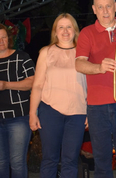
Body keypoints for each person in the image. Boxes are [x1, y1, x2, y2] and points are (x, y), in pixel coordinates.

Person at [75, 0, 116, 178]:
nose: (105, 11)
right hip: (97, 106)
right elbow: (79, 63)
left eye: (108, 6)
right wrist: (99, 67)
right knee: (101, 159)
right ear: (94, 9)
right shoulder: (87, 32)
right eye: (100, 7)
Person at [29, 13, 87, 178]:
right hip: (50, 111)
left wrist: (89, 110)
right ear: (55, 32)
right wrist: (33, 113)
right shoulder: (46, 52)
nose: (65, 31)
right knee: (49, 159)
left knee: (71, 160)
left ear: (75, 30)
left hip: (77, 112)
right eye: (61, 27)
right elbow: (38, 85)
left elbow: (90, 85)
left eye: (69, 26)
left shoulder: (84, 54)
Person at [0, 24, 35, 178]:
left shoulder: (21, 57)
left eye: (4, 37)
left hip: (18, 118)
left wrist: (6, 85)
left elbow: (33, 82)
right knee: (0, 162)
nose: (1, 41)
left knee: (17, 162)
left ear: (9, 39)